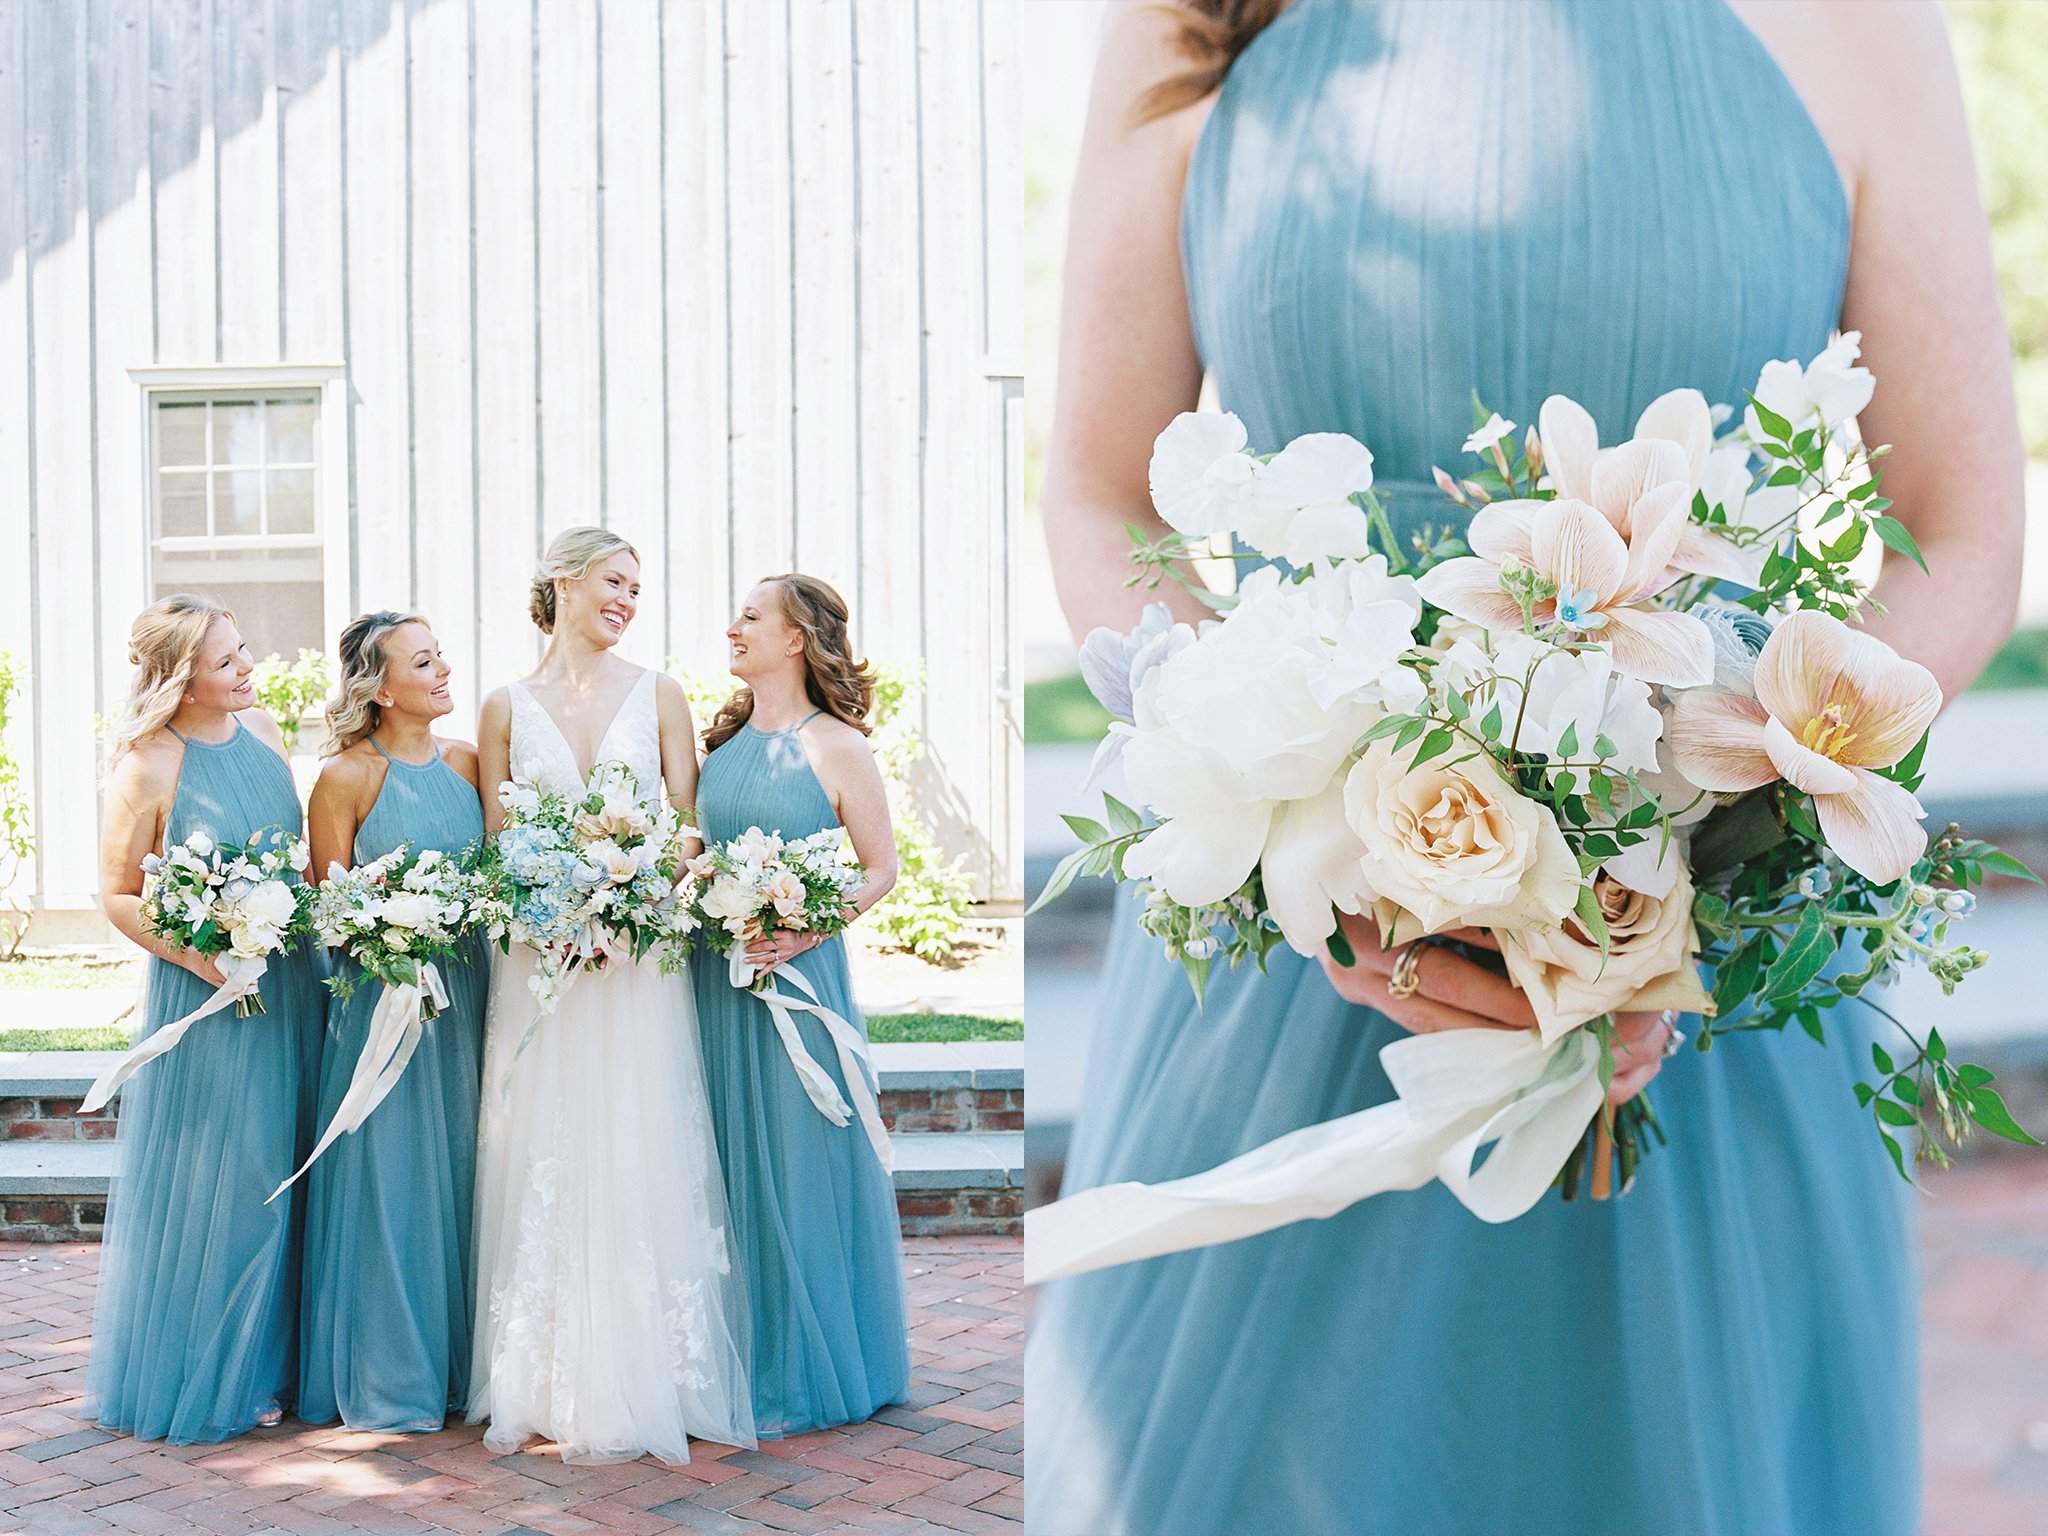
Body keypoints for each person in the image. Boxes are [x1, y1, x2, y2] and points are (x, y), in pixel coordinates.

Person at [1028, 2, 2024, 1533]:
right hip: (1288, 984)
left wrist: (1714, 816)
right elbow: (1102, 495)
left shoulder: (1861, 21)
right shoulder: (1192, 17)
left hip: (1712, 996)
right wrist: (1319, 840)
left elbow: (1959, 530)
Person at [467, 526, 754, 1464]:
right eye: (613, 581)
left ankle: (648, 1369)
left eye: (637, 587)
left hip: (635, 963)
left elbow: (689, 822)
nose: (628, 599)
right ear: (562, 583)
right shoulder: (505, 704)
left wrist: (635, 892)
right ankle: (544, 1371)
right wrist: (552, 907)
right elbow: (499, 839)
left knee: (636, 1135)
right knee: (546, 1142)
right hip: (543, 960)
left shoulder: (659, 692)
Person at [86, 595, 327, 1443]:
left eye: (242, 650)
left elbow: (291, 860)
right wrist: (202, 954)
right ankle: (214, 1368)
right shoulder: (147, 765)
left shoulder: (262, 734)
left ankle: (283, 1362)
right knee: (233, 1177)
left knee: (294, 1163)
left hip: (292, 980)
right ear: (184, 679)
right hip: (214, 996)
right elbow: (117, 894)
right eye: (226, 661)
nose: (246, 667)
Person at [692, 574, 911, 1437]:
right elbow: (702, 854)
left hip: (800, 979)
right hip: (717, 979)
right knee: (729, 1159)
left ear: (794, 640)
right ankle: (746, 1353)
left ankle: (814, 1363)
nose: (733, 626)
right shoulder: (723, 747)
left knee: (799, 1158)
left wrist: (803, 930)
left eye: (751, 616)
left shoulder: (838, 745)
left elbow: (880, 868)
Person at [297, 611, 491, 1432]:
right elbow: (328, 908)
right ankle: (391, 1369)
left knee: (465, 1166)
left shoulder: (469, 762)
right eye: (424, 660)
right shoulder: (345, 777)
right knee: (391, 1178)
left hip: (472, 993)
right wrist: (389, 938)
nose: (444, 669)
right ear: (379, 688)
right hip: (385, 1003)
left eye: (440, 654)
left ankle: (465, 1367)